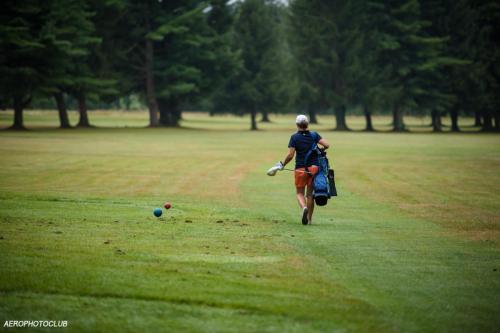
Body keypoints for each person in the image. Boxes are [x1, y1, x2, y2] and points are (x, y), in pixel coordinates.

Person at [275, 115, 330, 225]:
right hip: (314, 169)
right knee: (310, 195)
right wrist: (319, 150)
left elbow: (291, 155)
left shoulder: (294, 137)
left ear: (297, 124)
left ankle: (304, 207)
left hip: (300, 169)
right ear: (307, 124)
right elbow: (327, 145)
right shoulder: (314, 135)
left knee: (300, 193)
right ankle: (309, 220)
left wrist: (282, 164)